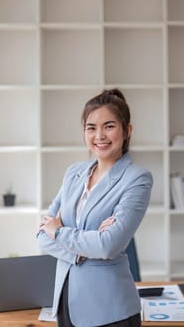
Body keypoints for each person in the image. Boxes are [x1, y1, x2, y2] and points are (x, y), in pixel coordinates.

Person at [37, 88, 153, 327]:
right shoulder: (74, 173)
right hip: (65, 303)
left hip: (110, 310)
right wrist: (85, 247)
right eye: (91, 128)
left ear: (127, 130)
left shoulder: (137, 179)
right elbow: (41, 236)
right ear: (84, 132)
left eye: (109, 126)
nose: (100, 135)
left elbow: (108, 245)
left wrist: (59, 232)